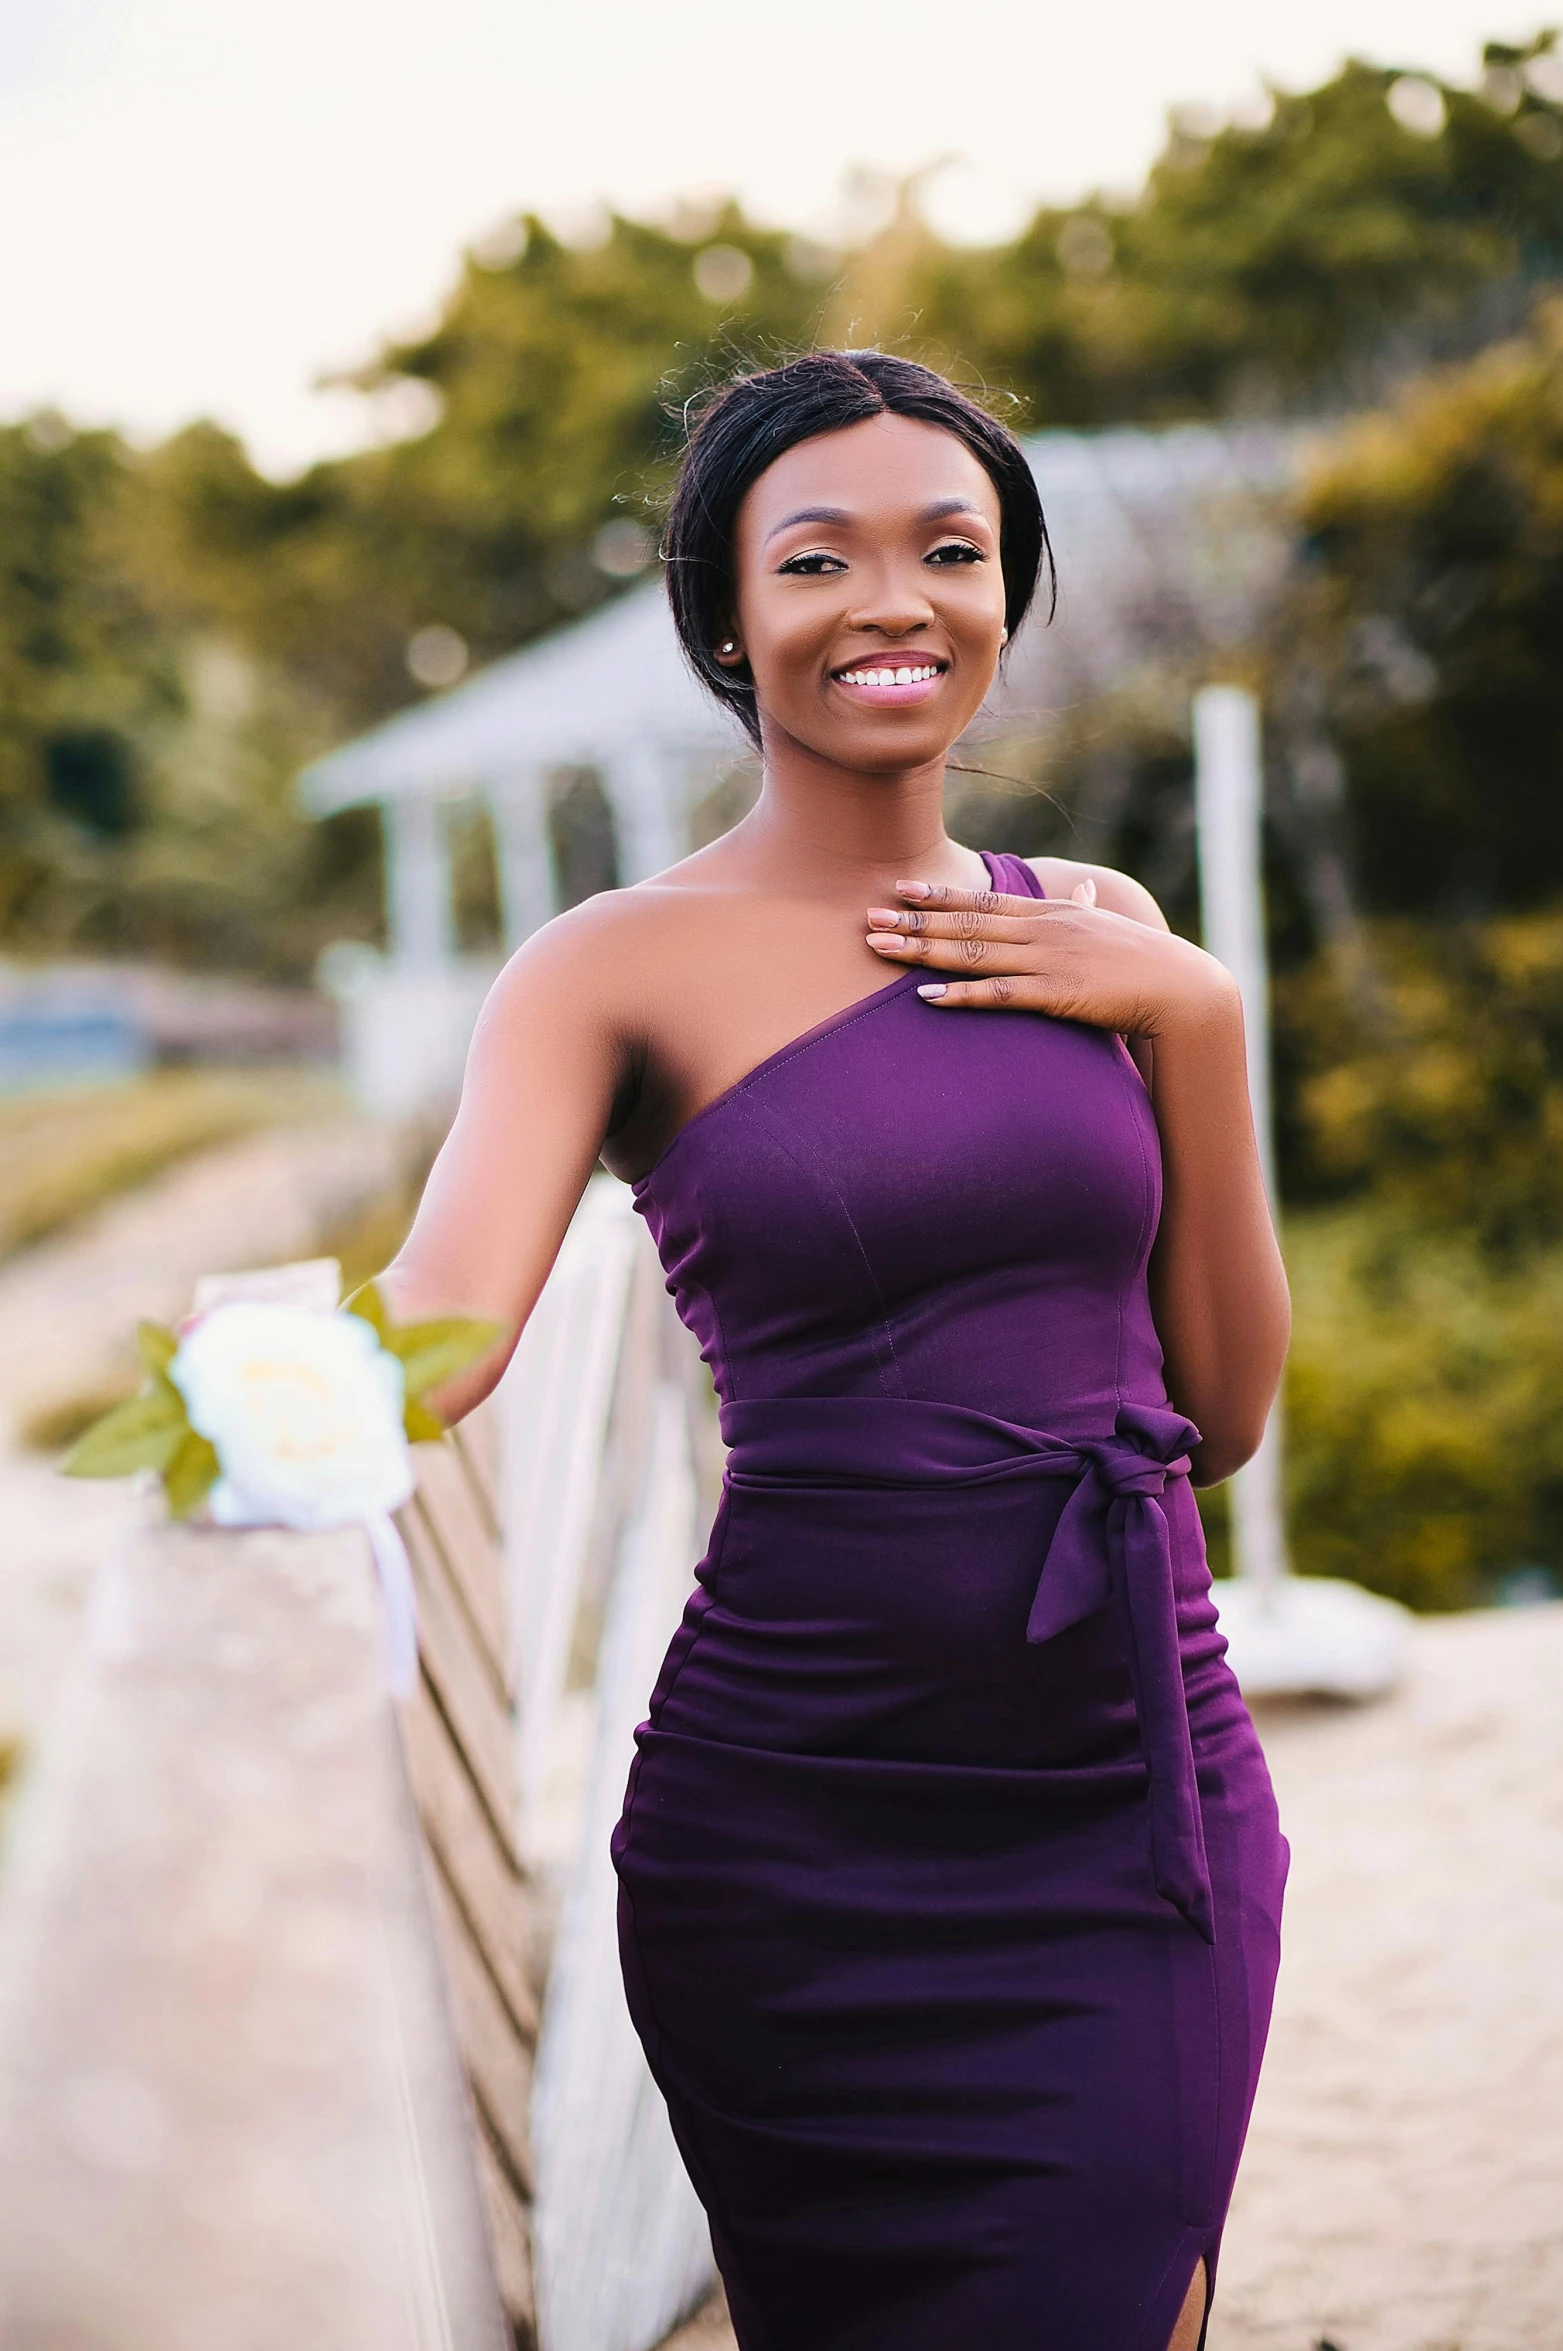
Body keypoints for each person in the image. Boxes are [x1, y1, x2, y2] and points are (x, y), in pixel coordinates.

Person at [384, 350, 1292, 2351]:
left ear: (1005, 595)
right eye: (822, 557)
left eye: (950, 549)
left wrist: (1199, 1017)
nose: (896, 597)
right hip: (794, 1825)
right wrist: (256, 1408)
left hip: (1131, 1785)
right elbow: (432, 1339)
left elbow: (1219, 1414)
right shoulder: (604, 964)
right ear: (728, 613)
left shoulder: (1114, 931)